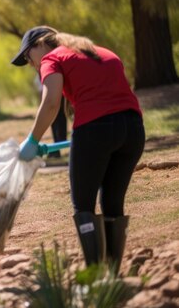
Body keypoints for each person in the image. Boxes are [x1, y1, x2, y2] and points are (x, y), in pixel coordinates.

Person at [12, 26, 145, 271]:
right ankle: (113, 276)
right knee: (112, 203)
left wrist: (32, 140)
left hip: (95, 129)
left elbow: (51, 103)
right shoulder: (98, 51)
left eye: (28, 57)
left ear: (39, 46)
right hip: (133, 129)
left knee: (83, 205)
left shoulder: (52, 58)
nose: (31, 64)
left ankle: (96, 277)